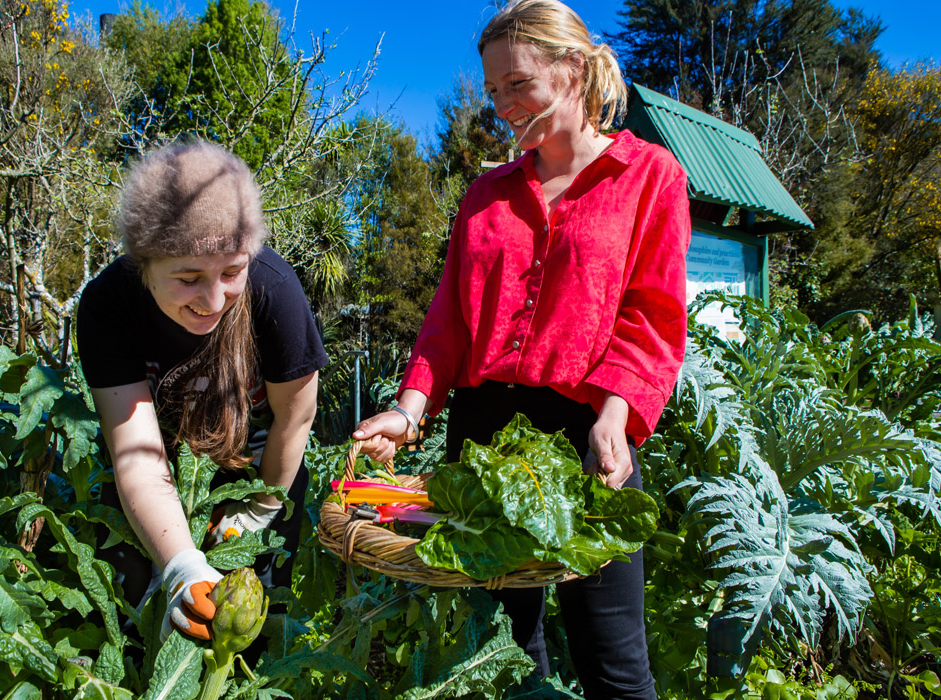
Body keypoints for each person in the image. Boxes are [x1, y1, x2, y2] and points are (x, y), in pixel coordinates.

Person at [352, 1, 690, 697]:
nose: (504, 105)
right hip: (480, 440)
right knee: (501, 654)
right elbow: (448, 319)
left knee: (615, 662)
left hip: (589, 436)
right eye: (494, 90)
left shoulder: (650, 176)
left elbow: (653, 313)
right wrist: (410, 410)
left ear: (573, 70)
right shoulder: (486, 194)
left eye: (519, 84)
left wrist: (616, 412)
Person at [76, 140, 327, 644]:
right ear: (143, 265)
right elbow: (137, 455)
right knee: (136, 615)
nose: (214, 301)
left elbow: (293, 420)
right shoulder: (108, 307)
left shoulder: (275, 291)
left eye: (232, 274)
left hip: (262, 461)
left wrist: (257, 508)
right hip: (159, 461)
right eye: (188, 279)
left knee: (252, 622)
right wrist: (182, 565)